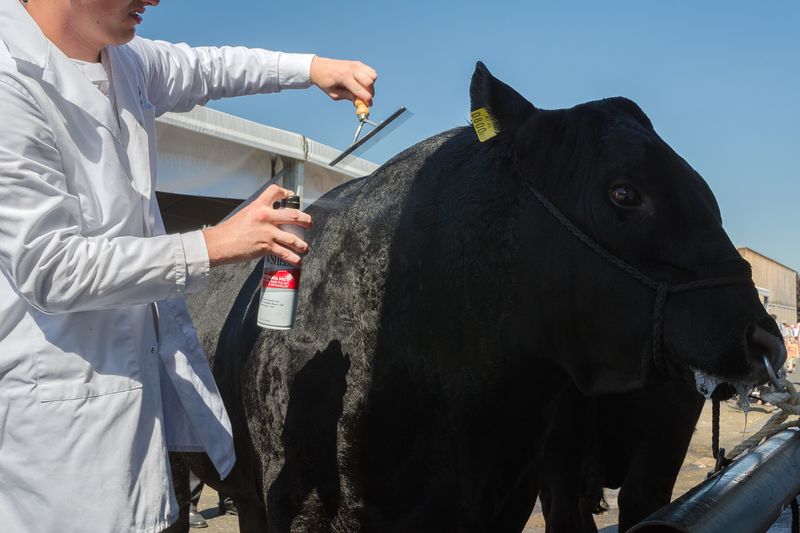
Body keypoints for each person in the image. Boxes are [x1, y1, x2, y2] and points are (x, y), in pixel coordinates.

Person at [0, 1, 377, 532]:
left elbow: (209, 67)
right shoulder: (10, 81)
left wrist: (312, 68)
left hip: (138, 424)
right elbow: (52, 268)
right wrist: (213, 245)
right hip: (64, 446)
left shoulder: (124, 60)